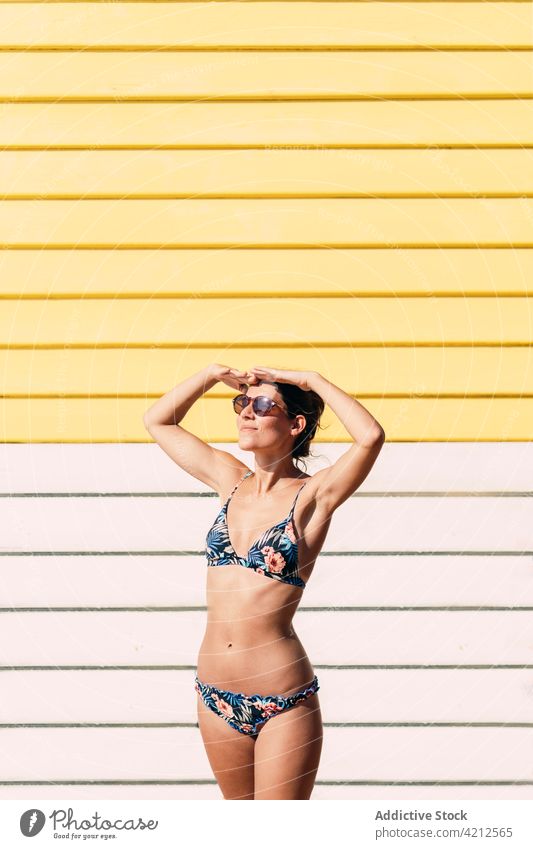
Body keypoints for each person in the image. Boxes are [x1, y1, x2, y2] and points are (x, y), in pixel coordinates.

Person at [143, 363, 385, 800]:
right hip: (214, 696)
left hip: (283, 703)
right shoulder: (229, 480)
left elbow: (370, 437)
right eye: (241, 404)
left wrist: (311, 380)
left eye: (261, 405)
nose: (245, 413)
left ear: (296, 424)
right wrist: (211, 376)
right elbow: (158, 421)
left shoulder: (314, 495)